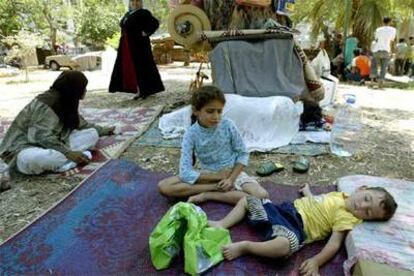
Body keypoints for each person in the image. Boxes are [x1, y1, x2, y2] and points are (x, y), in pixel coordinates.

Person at [209, 184, 398, 275]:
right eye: (367, 199)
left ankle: (245, 246)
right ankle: (222, 223)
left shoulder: (347, 218)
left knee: (285, 246)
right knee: (248, 200)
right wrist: (307, 191)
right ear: (362, 189)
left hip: (295, 228)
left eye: (368, 212)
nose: (362, 207)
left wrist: (316, 261)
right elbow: (319, 200)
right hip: (283, 210)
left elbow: (333, 245)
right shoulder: (340, 195)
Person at [158, 85, 269, 204]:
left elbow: (242, 153)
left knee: (262, 195)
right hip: (206, 175)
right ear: (196, 111)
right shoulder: (191, 134)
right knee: (164, 186)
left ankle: (208, 195)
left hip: (231, 172)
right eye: (210, 111)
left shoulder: (228, 125)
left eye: (219, 111)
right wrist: (217, 177)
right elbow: (185, 172)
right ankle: (216, 188)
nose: (216, 117)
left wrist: (230, 179)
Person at [0, 71, 115, 175]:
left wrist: (103, 130)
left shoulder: (67, 100)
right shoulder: (48, 103)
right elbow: (40, 136)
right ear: (73, 88)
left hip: (56, 143)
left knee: (92, 133)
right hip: (25, 148)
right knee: (42, 159)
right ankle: (67, 161)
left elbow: (82, 125)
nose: (85, 91)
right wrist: (68, 152)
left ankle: (65, 161)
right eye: (83, 87)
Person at [109, 0, 164, 99]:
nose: (135, 3)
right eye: (133, 1)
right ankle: (138, 89)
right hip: (127, 46)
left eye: (137, 1)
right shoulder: (127, 14)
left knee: (142, 68)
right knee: (131, 68)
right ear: (130, 3)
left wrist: (145, 33)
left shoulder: (144, 13)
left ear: (141, 2)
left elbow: (155, 23)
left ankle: (146, 91)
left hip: (140, 46)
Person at [370, 17, 396, 88]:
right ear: (390, 22)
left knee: (374, 65)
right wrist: (391, 51)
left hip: (377, 49)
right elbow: (391, 41)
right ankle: (380, 83)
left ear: (383, 21)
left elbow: (376, 39)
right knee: (384, 67)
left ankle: (372, 81)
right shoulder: (393, 30)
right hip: (386, 49)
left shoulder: (378, 29)